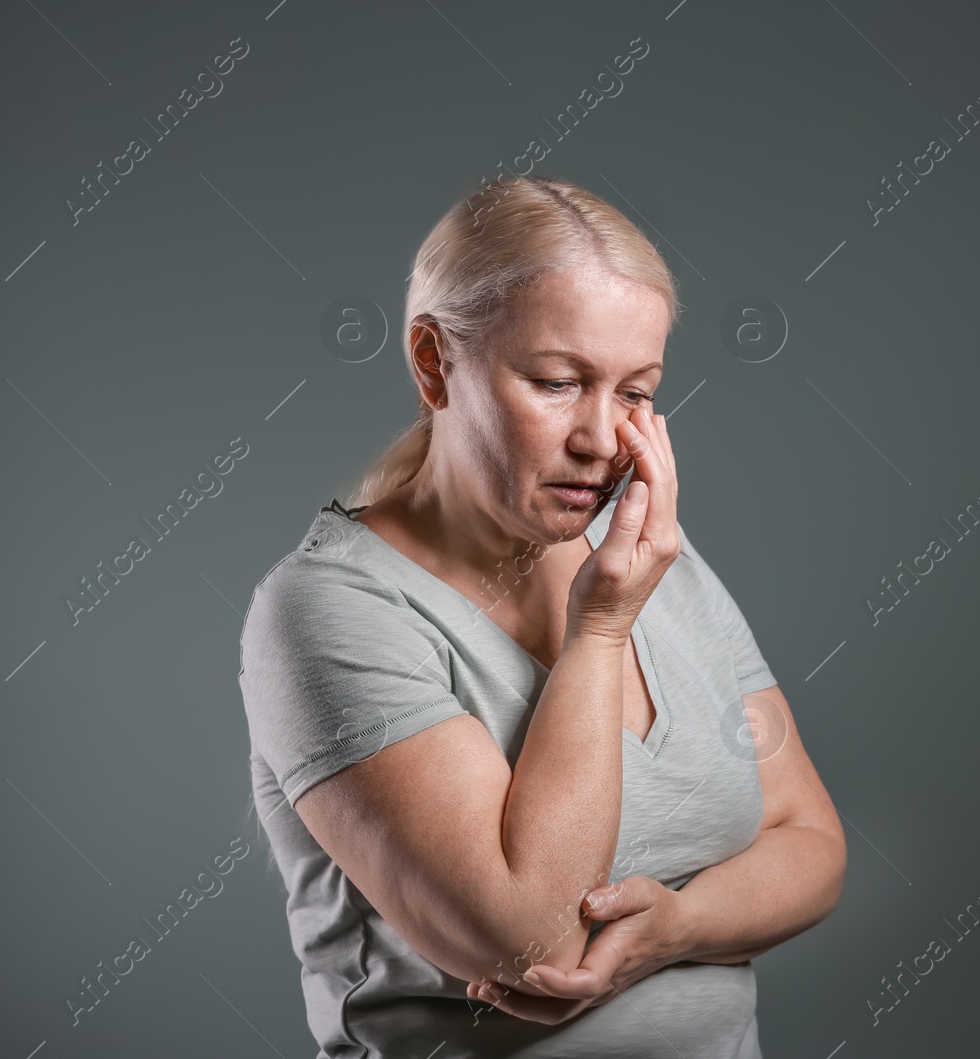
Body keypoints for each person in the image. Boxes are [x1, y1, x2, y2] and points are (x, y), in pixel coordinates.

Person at [238, 175, 845, 1057]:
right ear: (434, 362)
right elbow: (532, 942)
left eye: (636, 392)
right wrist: (599, 628)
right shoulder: (328, 610)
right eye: (557, 382)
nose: (603, 440)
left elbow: (812, 841)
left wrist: (676, 926)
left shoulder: (649, 553)